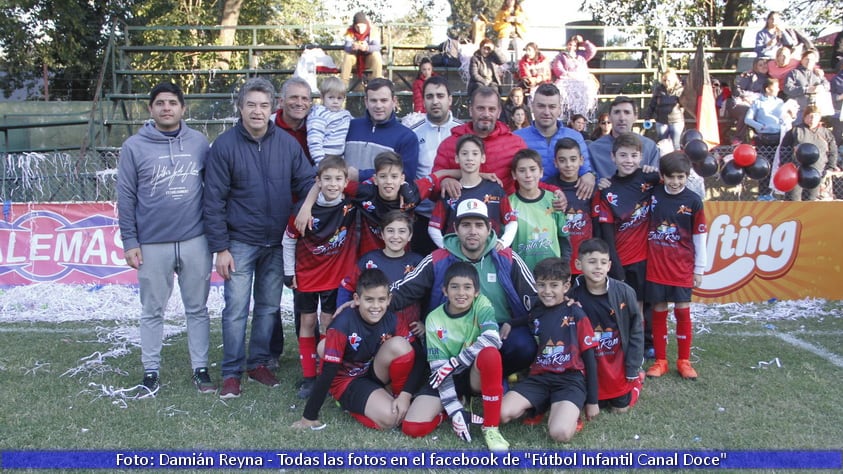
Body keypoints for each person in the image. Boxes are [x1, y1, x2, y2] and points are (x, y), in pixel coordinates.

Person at [204, 77, 316, 399]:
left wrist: (301, 213)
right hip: (240, 242)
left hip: (277, 242)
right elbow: (213, 201)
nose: (257, 111)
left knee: (268, 308)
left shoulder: (286, 144)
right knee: (236, 309)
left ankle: (258, 364)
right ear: (240, 107)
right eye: (251, 104)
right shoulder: (224, 146)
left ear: (273, 108)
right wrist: (221, 248)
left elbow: (309, 181)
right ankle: (230, 371)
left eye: (263, 105)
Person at [117, 82, 214, 396]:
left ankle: (200, 368)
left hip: (194, 238)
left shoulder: (199, 142)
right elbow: (126, 197)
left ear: (183, 108)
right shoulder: (134, 146)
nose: (167, 108)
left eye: (172, 102)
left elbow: (212, 191)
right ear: (151, 109)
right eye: (160, 103)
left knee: (197, 308)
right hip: (152, 242)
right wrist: (130, 241)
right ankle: (151, 371)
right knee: (152, 309)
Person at [390, 198, 538, 376]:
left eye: (478, 225)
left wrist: (514, 322)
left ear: (489, 229)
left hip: (499, 329)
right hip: (454, 330)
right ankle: (470, 383)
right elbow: (404, 290)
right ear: (456, 229)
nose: (473, 231)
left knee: (524, 346)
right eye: (466, 225)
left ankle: (494, 377)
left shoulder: (506, 257)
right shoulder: (438, 258)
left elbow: (535, 296)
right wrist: (368, 301)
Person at [291, 269, 423, 431]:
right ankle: (348, 405)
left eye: (381, 299)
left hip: (371, 370)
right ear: (357, 299)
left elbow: (419, 355)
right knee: (392, 419)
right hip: (347, 380)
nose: (376, 306)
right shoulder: (342, 323)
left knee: (400, 345)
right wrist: (309, 417)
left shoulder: (392, 318)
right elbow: (328, 371)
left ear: (389, 300)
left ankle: (394, 395)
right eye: (369, 299)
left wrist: (405, 395)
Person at [402, 262, 509, 451]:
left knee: (490, 354)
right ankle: (455, 409)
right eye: (454, 287)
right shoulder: (434, 319)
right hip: (446, 376)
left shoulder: (482, 303)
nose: (461, 293)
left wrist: (457, 361)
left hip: (473, 374)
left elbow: (493, 338)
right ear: (444, 291)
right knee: (412, 427)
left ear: (476, 291)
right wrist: (454, 411)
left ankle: (491, 427)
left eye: (467, 287)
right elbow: (439, 370)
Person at [282, 157, 359, 399]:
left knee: (328, 322)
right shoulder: (304, 210)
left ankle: (324, 373)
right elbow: (288, 240)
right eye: (327, 179)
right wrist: (289, 272)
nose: (333, 184)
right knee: (307, 323)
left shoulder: (350, 205)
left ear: (346, 182)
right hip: (306, 275)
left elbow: (365, 182)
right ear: (318, 181)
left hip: (334, 277)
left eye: (338, 179)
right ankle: (308, 377)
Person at [499, 257, 599, 442]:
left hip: (570, 380)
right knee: (501, 414)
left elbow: (590, 358)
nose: (547, 291)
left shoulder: (575, 312)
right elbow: (528, 319)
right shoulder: (538, 309)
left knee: (559, 434)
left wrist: (592, 400)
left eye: (554, 285)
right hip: (540, 378)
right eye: (541, 285)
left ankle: (567, 411)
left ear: (566, 286)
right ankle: (542, 404)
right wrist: (509, 323)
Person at [644, 152, 707, 380]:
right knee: (659, 310)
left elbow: (700, 236)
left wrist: (699, 269)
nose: (676, 181)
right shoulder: (655, 193)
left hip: (682, 266)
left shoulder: (693, 201)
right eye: (671, 177)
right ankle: (661, 361)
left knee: (682, 311)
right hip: (656, 266)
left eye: (680, 177)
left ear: (686, 176)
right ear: (663, 176)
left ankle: (684, 360)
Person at [568, 238, 644, 413]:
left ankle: (637, 381)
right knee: (595, 405)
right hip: (591, 364)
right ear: (579, 264)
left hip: (616, 363)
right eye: (592, 262)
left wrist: (632, 367)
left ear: (609, 266)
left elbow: (636, 331)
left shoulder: (625, 292)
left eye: (603, 262)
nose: (598, 267)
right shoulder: (573, 295)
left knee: (620, 410)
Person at [594, 132, 660, 315]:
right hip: (621, 261)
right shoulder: (607, 190)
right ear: (612, 157)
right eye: (623, 155)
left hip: (647, 259)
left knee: (646, 308)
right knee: (624, 310)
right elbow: (607, 234)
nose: (628, 160)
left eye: (633, 155)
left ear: (641, 157)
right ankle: (626, 344)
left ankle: (644, 344)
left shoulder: (651, 180)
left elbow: (675, 183)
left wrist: (656, 173)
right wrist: (615, 266)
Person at [337, 211, 424, 339]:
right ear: (382, 234)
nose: (395, 236)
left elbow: (429, 295)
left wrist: (426, 322)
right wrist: (344, 316)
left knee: (408, 356)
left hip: (409, 332)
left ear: (410, 235)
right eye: (390, 231)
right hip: (372, 331)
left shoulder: (418, 263)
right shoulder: (369, 261)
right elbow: (347, 286)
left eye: (402, 231)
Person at [432, 85, 528, 194]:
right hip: (461, 209)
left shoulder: (516, 144)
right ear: (470, 110)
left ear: (499, 112)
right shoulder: (449, 144)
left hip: (502, 208)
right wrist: (444, 181)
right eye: (480, 108)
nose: (486, 114)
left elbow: (529, 184)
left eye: (491, 109)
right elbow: (432, 185)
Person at [428, 134, 517, 249]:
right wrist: (446, 247)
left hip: (489, 255)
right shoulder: (450, 190)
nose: (469, 158)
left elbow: (512, 221)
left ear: (483, 158)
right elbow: (433, 227)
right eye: (464, 154)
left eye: (475, 154)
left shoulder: (495, 190)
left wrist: (503, 242)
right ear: (457, 158)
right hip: (458, 258)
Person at [408, 75, 462, 255]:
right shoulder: (413, 133)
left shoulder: (463, 132)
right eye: (430, 96)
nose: (435, 101)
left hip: (456, 216)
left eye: (440, 96)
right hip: (422, 217)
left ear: (450, 99)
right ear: (423, 100)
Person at [514, 83, 595, 196]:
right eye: (541, 106)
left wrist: (589, 175)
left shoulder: (575, 137)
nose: (546, 112)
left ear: (559, 109)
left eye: (552, 107)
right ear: (532, 107)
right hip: (528, 203)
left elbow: (585, 169)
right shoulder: (516, 138)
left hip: (567, 202)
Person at [345, 78, 420, 181]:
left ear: (394, 101)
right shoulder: (349, 127)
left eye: (384, 100)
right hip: (345, 195)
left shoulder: (406, 137)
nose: (378, 106)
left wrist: (360, 175)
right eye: (373, 100)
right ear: (366, 102)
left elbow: (406, 175)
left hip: (381, 197)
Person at [507, 148, 568, 270]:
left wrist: (564, 267)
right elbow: (505, 243)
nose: (528, 175)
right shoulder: (509, 204)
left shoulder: (554, 200)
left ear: (541, 172)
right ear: (514, 174)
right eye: (522, 170)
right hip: (522, 273)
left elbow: (564, 238)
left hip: (553, 273)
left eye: (533, 169)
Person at [544, 138, 596, 275]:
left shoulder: (590, 188)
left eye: (573, 159)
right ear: (555, 162)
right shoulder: (548, 189)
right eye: (562, 160)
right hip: (557, 260)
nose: (568, 165)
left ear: (581, 160)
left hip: (585, 261)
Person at [745, 78, 796, 200]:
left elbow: (787, 118)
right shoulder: (758, 102)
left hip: (780, 137)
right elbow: (748, 119)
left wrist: (791, 114)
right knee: (764, 167)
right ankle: (763, 193)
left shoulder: (780, 102)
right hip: (764, 138)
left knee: (778, 165)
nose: (779, 89)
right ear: (768, 89)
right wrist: (760, 127)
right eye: (776, 87)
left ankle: (776, 193)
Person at [588, 95, 661, 180]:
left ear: (635, 117)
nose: (622, 118)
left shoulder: (649, 147)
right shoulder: (594, 149)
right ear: (610, 118)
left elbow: (657, 179)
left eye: (627, 112)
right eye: (617, 112)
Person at [781, 105, 839, 201]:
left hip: (817, 172)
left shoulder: (826, 133)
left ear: (819, 117)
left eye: (815, 116)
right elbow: (784, 149)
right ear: (804, 117)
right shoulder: (795, 131)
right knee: (793, 200)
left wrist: (830, 167)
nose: (812, 119)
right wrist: (787, 166)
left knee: (810, 201)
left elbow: (833, 151)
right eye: (810, 116)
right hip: (796, 172)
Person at [306, 76, 352, 164]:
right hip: (324, 157)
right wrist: (321, 162)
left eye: (339, 98)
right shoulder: (319, 115)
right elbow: (314, 141)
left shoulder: (345, 114)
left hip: (340, 159)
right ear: (322, 97)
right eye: (331, 97)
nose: (335, 101)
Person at [551, 34, 598, 118]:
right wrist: (568, 74)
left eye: (574, 45)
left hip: (582, 80)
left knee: (588, 90)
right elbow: (557, 68)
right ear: (567, 45)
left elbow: (593, 50)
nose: (572, 47)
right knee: (561, 92)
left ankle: (584, 115)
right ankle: (567, 115)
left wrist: (583, 42)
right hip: (568, 79)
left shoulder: (582, 55)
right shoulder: (561, 56)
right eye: (570, 44)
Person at [726, 58, 769, 144]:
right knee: (747, 111)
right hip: (740, 102)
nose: (764, 66)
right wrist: (746, 97)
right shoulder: (748, 76)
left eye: (765, 64)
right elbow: (737, 91)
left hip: (758, 104)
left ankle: (760, 138)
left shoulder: (769, 80)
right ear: (755, 67)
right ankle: (738, 138)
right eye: (760, 65)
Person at [273, 76, 313, 163]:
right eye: (294, 97)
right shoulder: (268, 124)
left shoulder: (316, 126)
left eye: (304, 99)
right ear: (281, 102)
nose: (299, 103)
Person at [645, 68, 685, 151]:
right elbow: (652, 104)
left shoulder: (680, 90)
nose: (666, 82)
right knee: (662, 145)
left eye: (669, 80)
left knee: (676, 145)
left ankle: (676, 163)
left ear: (674, 80)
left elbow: (685, 104)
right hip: (661, 121)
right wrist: (647, 117)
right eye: (664, 80)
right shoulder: (659, 90)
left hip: (676, 121)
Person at [784, 49, 828, 122]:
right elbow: (787, 88)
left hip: (814, 111)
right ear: (802, 60)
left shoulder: (817, 73)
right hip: (799, 110)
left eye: (811, 60)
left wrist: (821, 87)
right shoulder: (794, 73)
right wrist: (806, 89)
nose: (809, 62)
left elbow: (827, 86)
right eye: (806, 59)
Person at [340, 11, 384, 84]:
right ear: (354, 25)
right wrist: (353, 47)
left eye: (362, 26)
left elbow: (376, 47)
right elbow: (347, 47)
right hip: (355, 60)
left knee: (376, 55)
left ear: (366, 24)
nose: (360, 29)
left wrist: (366, 48)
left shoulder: (372, 31)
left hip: (368, 59)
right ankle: (343, 86)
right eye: (357, 27)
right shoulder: (350, 31)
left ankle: (377, 83)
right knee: (347, 56)